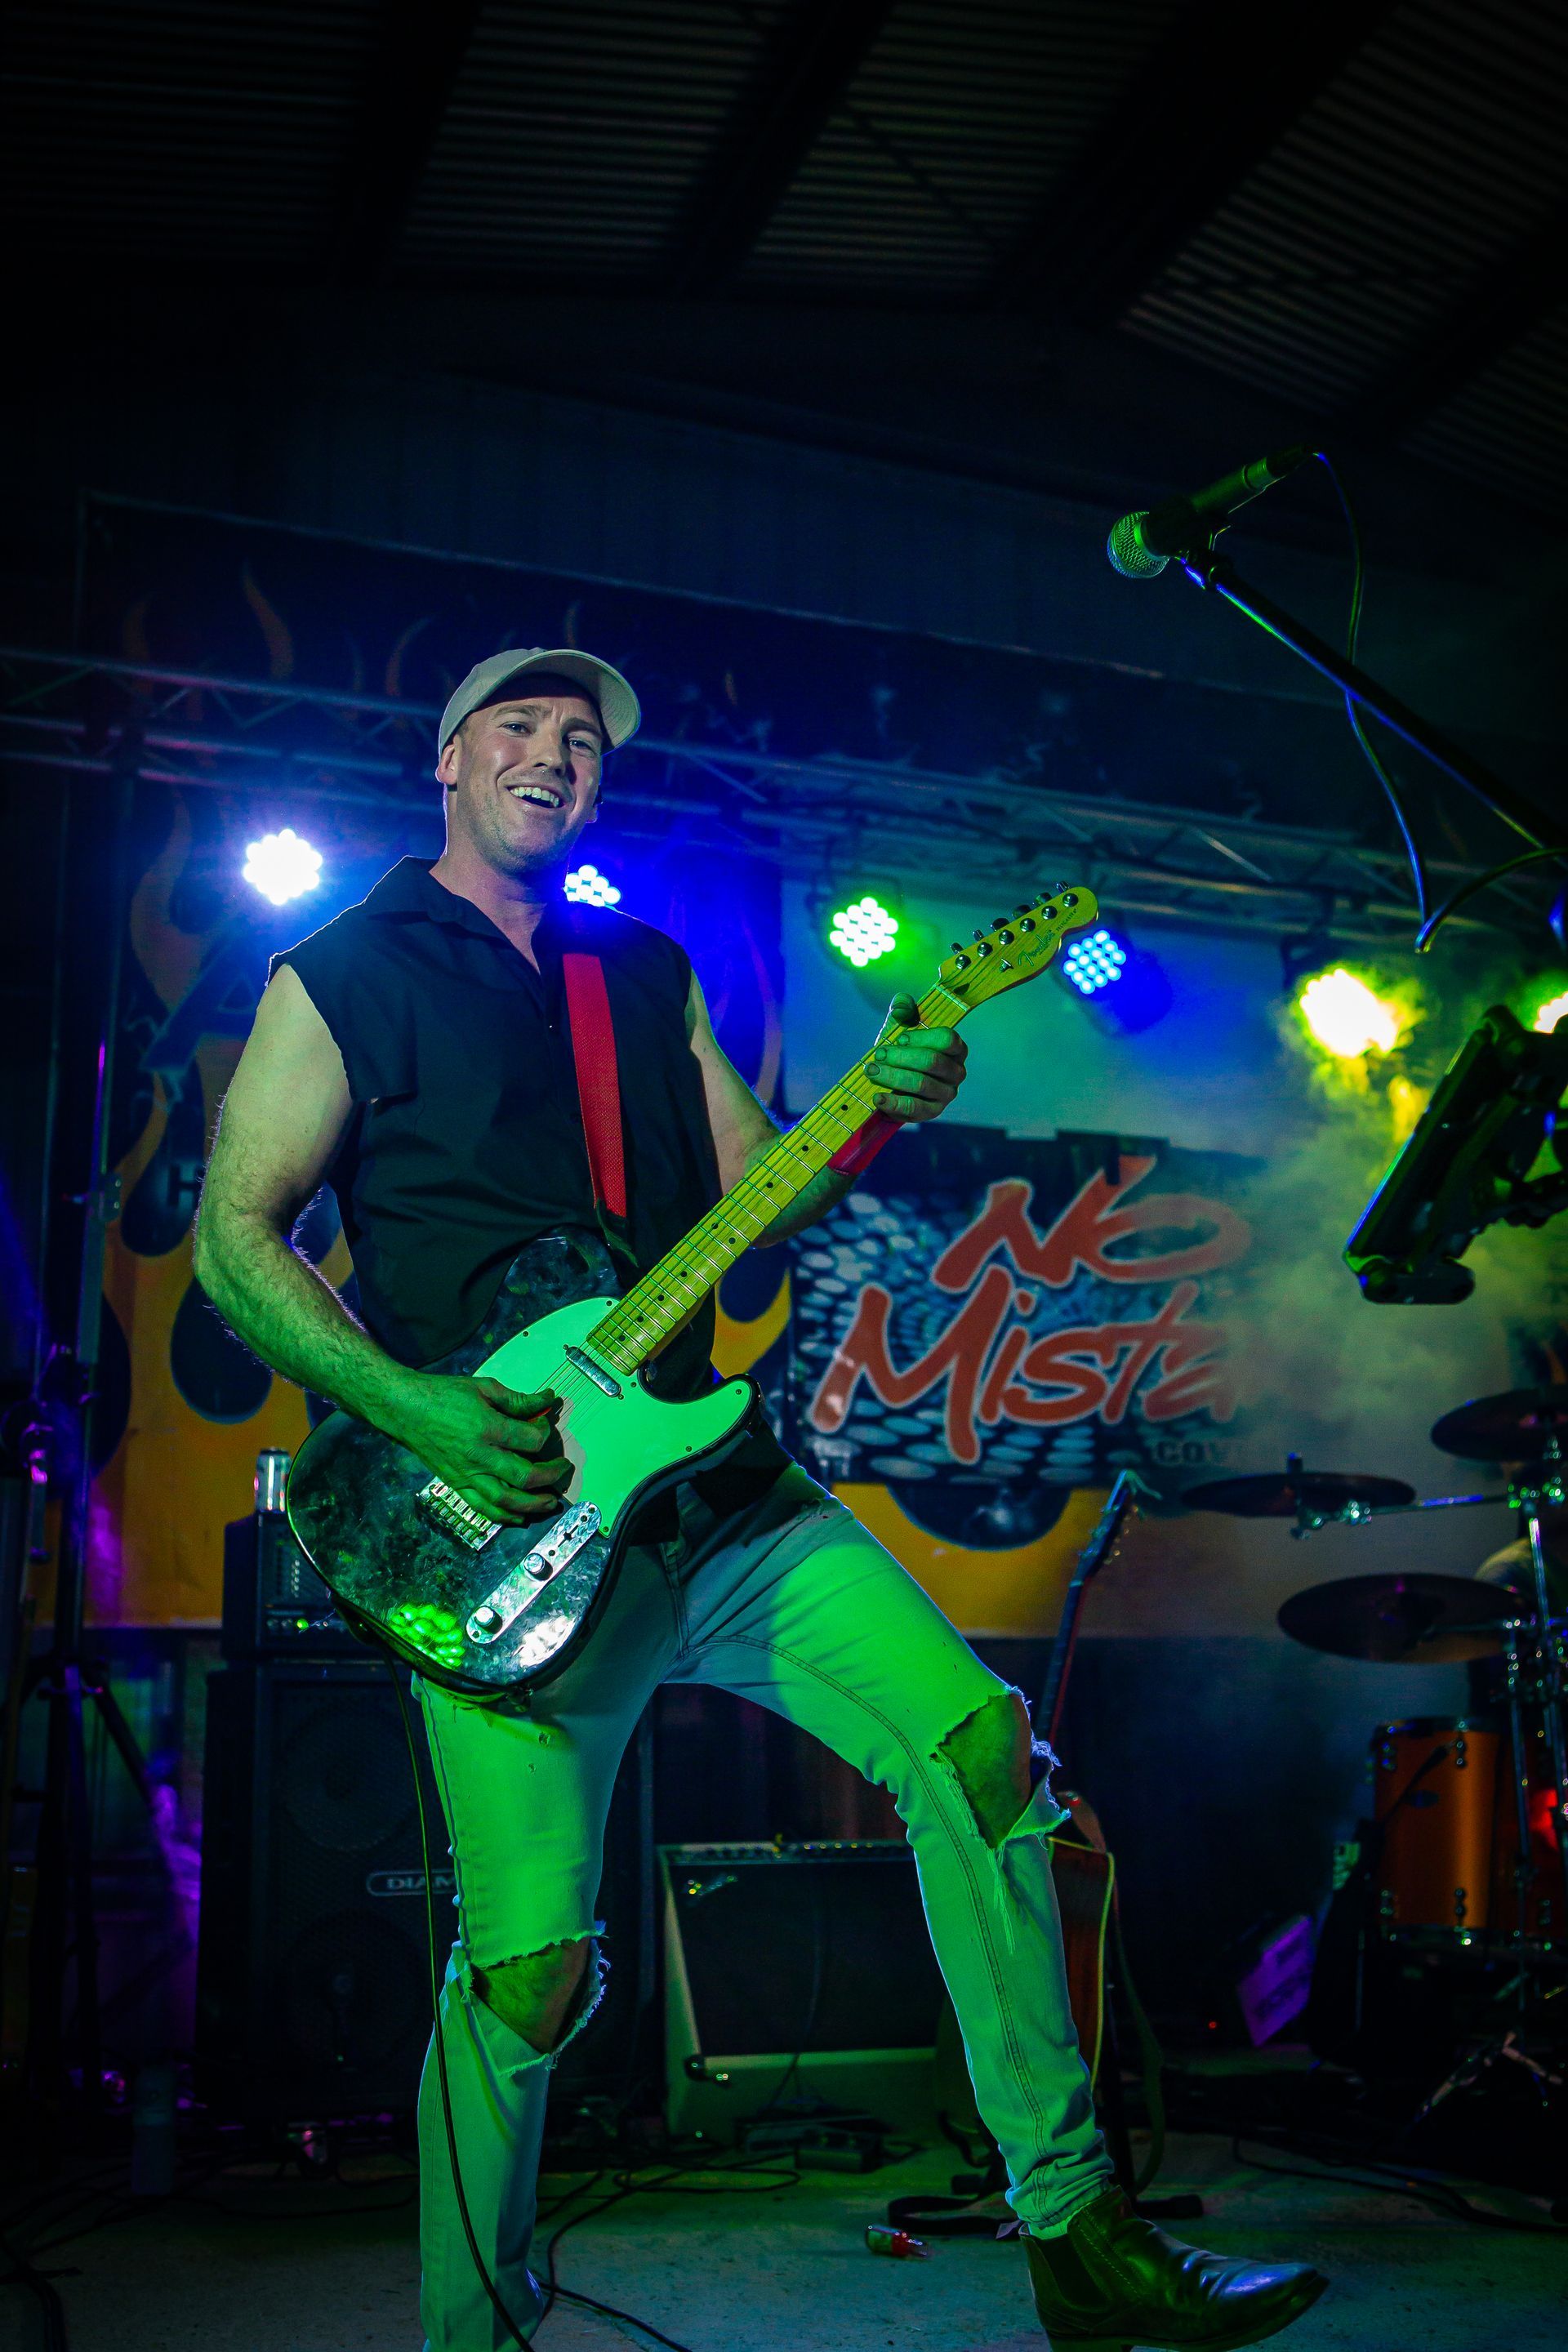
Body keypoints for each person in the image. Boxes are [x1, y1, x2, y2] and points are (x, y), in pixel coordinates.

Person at [194, 646, 1325, 2350]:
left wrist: (876, 1111)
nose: (557, 754)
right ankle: (469, 2336)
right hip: (497, 1521)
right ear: (449, 757)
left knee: (981, 1754)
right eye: (521, 725)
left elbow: (756, 1187)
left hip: (713, 1495)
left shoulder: (641, 970)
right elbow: (235, 1237)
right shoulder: (346, 966)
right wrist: (417, 1409)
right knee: (530, 1979)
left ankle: (1080, 2234)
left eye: (584, 740)